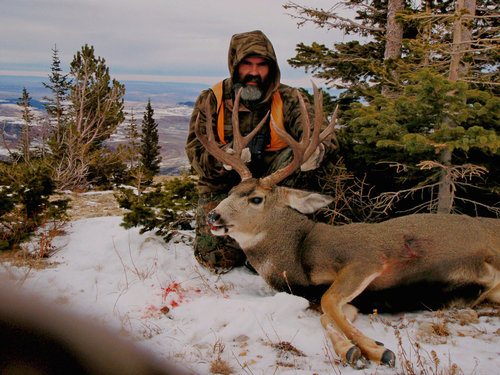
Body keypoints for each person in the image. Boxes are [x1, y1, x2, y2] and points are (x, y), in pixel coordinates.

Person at [186, 30, 333, 273]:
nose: (254, 72)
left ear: (271, 68)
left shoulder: (290, 98)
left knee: (298, 154)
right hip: (225, 190)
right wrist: (224, 160)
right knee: (216, 259)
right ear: (235, 65)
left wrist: (318, 151)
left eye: (262, 65)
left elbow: (324, 131)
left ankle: (280, 236)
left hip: (270, 191)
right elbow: (195, 153)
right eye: (247, 64)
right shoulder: (212, 99)